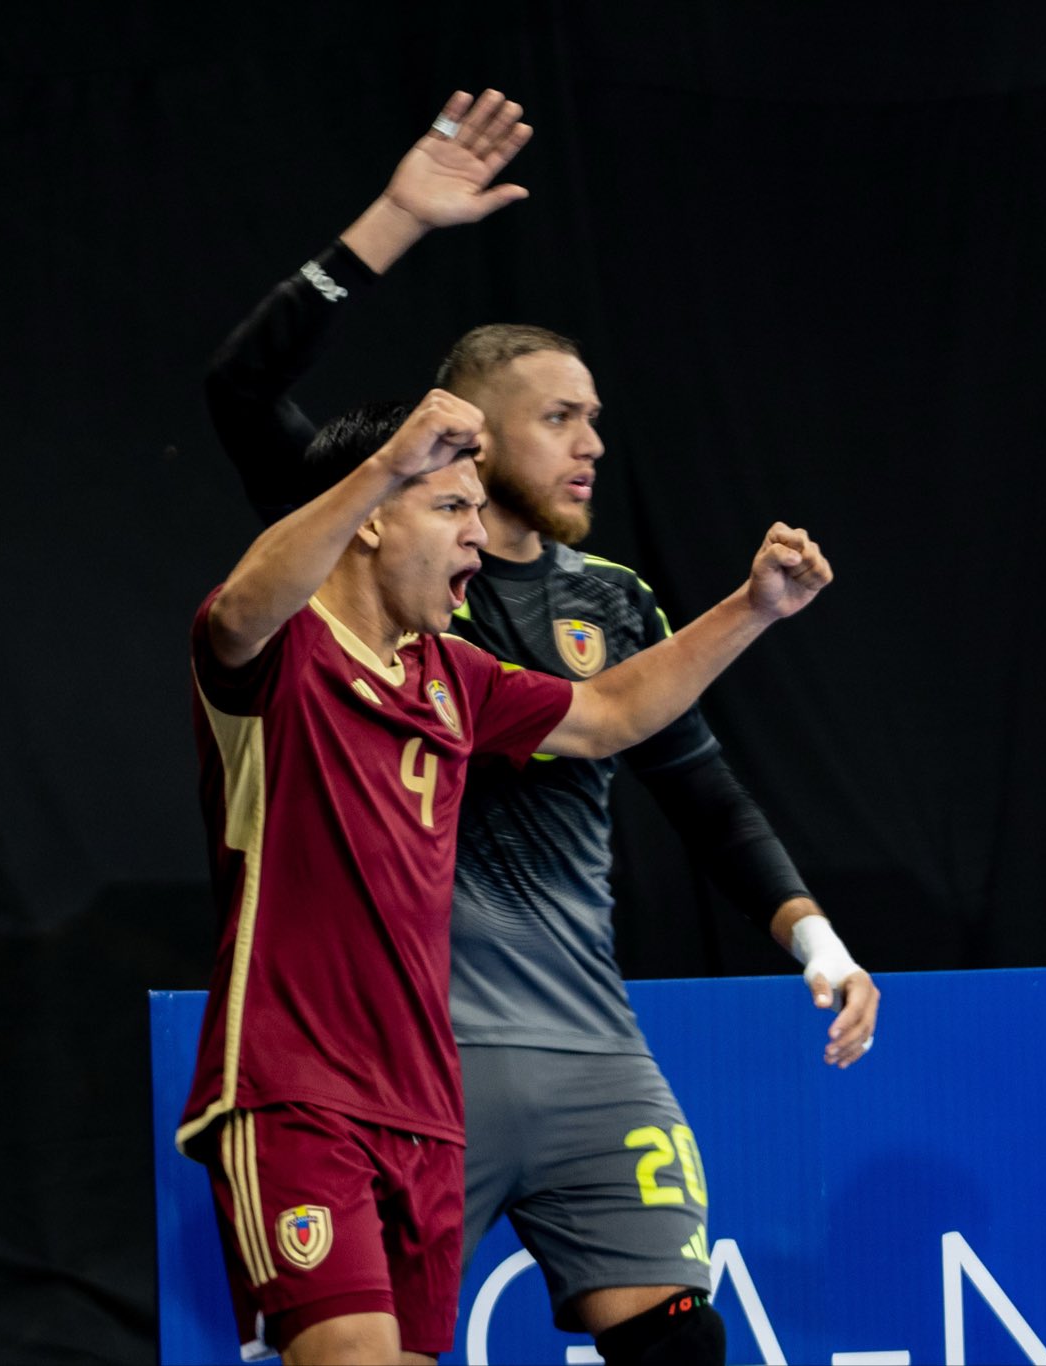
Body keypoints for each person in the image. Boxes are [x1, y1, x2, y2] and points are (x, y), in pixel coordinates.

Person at [204, 90, 881, 1364]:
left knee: (679, 1340)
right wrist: (397, 222)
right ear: (450, 430)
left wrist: (815, 936)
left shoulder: (585, 614)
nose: (590, 445)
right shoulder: (338, 590)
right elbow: (240, 393)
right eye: (560, 416)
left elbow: (662, 748)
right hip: (387, 1053)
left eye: (596, 420)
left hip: (579, 1045)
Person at [179, 388, 831, 1365]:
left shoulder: (451, 674)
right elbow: (236, 610)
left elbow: (607, 712)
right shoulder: (282, 654)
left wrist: (753, 609)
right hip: (295, 1089)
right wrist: (385, 462)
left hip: (428, 1107)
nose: (476, 541)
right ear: (368, 523)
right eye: (448, 509)